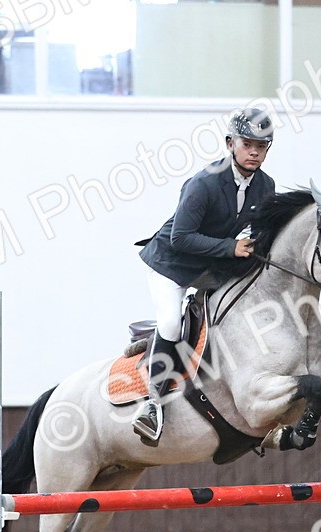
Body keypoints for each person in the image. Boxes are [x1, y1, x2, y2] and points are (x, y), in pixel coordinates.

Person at [132, 107, 277, 445]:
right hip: (172, 265)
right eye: (248, 144)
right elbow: (180, 238)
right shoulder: (205, 182)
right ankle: (153, 404)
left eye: (262, 146)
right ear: (230, 143)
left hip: (212, 268)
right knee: (170, 323)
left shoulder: (265, 186)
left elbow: (260, 234)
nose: (254, 151)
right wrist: (231, 248)